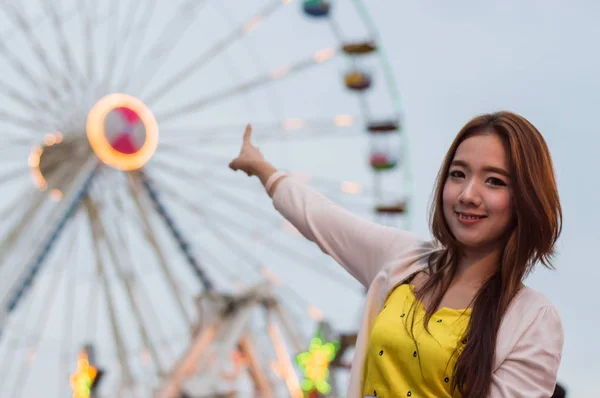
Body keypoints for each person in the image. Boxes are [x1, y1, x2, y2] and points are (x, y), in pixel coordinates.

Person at [229, 111, 564, 398]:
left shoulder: (533, 319)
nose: (467, 194)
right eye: (457, 174)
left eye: (494, 181)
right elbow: (323, 218)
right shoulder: (404, 260)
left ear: (526, 198)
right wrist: (262, 167)